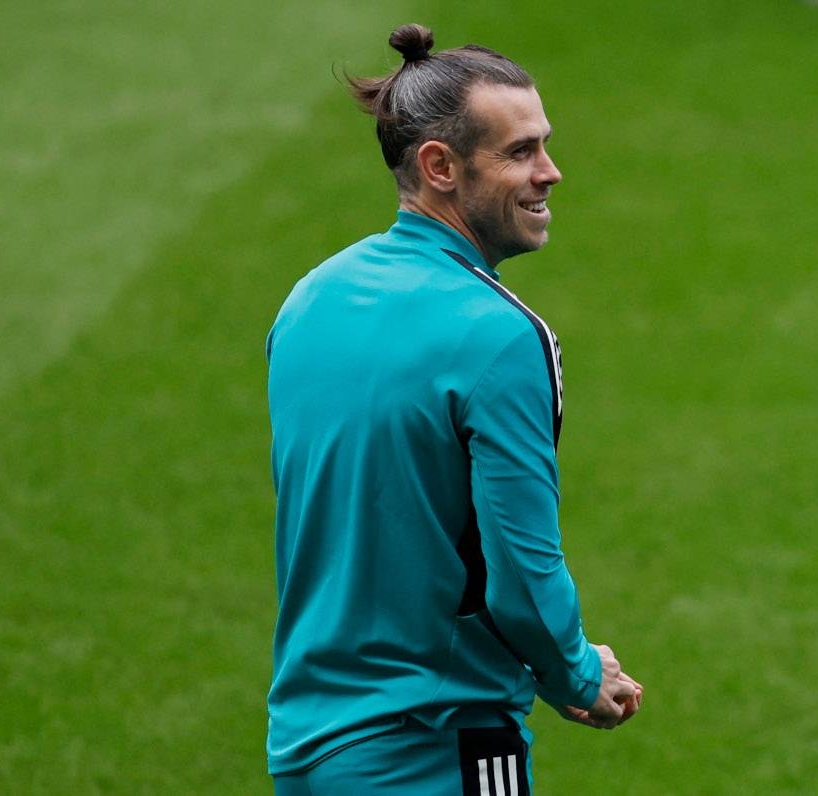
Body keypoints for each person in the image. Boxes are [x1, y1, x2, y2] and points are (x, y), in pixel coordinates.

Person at [265, 23, 642, 795]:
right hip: (440, 746)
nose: (551, 172)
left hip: (309, 748)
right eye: (520, 152)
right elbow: (521, 574)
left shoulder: (310, 300)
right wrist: (577, 672)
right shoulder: (501, 338)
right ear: (440, 166)